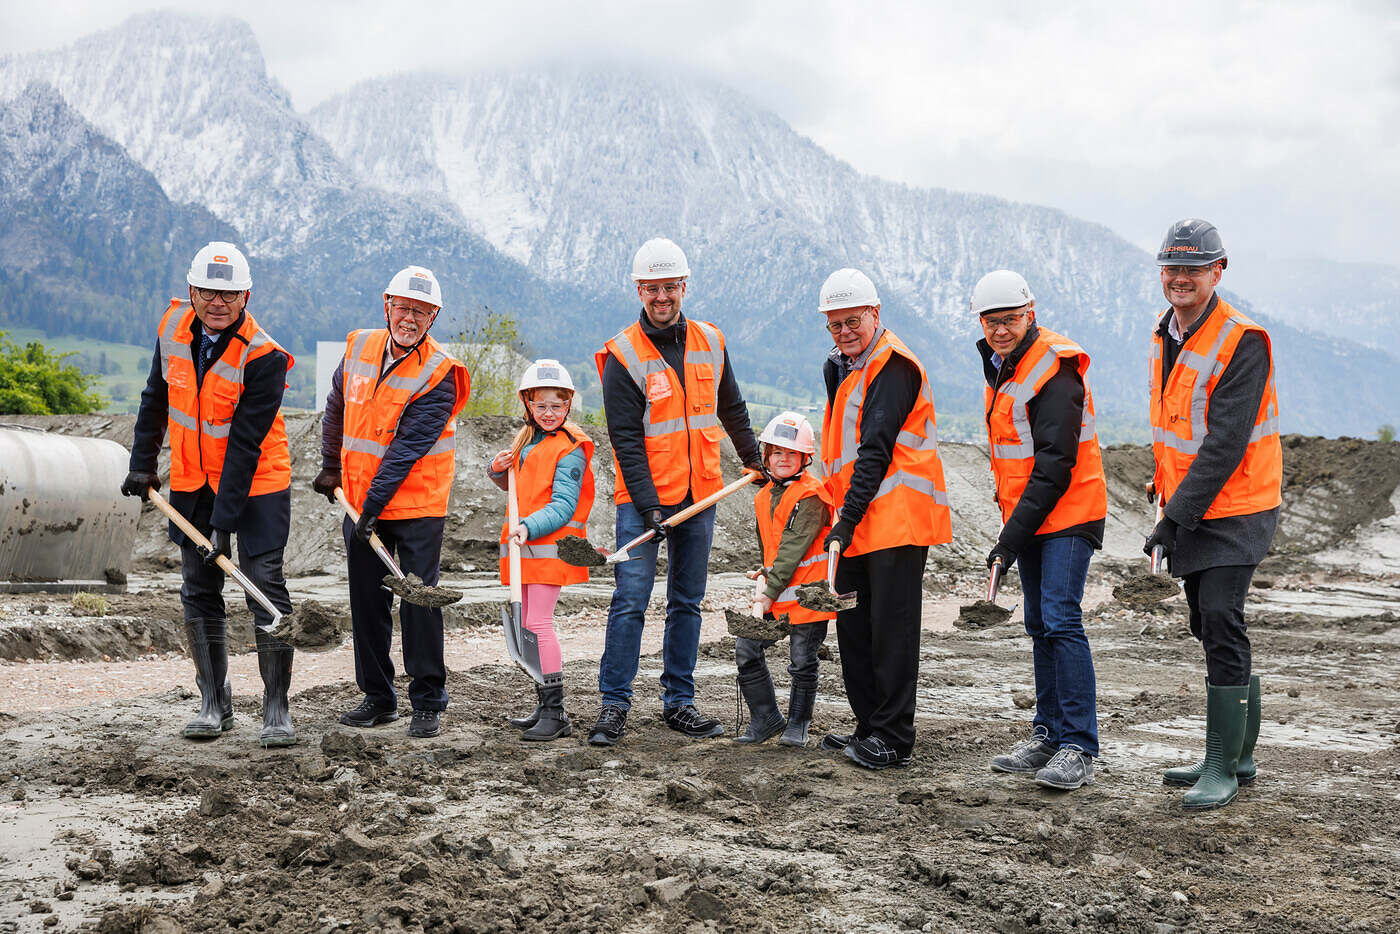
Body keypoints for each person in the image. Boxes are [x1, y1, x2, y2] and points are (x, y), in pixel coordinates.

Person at [589, 237, 764, 746]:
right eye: (652, 289)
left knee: (687, 601)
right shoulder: (622, 353)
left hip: (700, 493)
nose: (661, 297)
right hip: (642, 499)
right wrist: (647, 507)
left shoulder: (711, 340)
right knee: (631, 599)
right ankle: (613, 705)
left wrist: (753, 458)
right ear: (639, 290)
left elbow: (732, 408)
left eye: (669, 287)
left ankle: (679, 703)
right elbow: (624, 438)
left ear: (683, 286)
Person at [122, 241, 297, 747]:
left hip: (258, 482)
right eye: (206, 292)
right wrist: (142, 465)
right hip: (193, 480)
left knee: (263, 583)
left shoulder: (264, 357)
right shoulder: (171, 328)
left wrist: (222, 527)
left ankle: (276, 709)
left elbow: (244, 446)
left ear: (247, 296)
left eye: (229, 294)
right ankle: (213, 703)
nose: (217, 302)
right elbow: (156, 398)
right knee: (198, 586)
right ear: (191, 291)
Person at [1145, 219, 1281, 809]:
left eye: (1193, 269)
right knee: (1206, 620)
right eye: (1172, 269)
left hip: (1238, 506)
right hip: (1195, 507)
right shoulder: (1166, 332)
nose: (1180, 279)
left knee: (1222, 617)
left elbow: (1225, 443)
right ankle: (1235, 753)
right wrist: (1169, 503)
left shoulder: (1241, 339)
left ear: (1218, 272)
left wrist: (1171, 520)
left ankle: (1223, 764)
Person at [314, 266, 470, 739]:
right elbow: (338, 405)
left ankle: (428, 700)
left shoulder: (440, 372)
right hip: (361, 503)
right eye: (403, 308)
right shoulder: (359, 347)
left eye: (420, 312)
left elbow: (408, 447)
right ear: (387, 305)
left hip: (417, 506)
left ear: (433, 317)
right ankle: (379, 698)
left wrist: (373, 505)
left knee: (418, 601)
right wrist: (330, 466)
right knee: (367, 602)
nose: (410, 318)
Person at [972, 270, 1108, 791]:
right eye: (991, 321)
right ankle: (1049, 733)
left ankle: (1078, 745)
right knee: (1037, 622)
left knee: (1060, 618)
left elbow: (1055, 464)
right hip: (1031, 515)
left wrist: (1008, 539)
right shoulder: (1007, 364)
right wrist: (1015, 529)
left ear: (1030, 312)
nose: (1001, 329)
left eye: (1009, 319)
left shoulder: (1055, 366)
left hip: (1070, 512)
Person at [816, 268, 952, 770]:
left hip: (895, 518)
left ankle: (893, 735)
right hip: (856, 518)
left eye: (854, 320)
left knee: (890, 631)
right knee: (853, 625)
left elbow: (875, 450)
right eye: (836, 324)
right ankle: (867, 723)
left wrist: (844, 520)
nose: (846, 331)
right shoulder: (842, 367)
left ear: (875, 314)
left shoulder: (894, 367)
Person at [487, 360, 595, 742]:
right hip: (526, 548)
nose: (549, 413)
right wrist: (498, 469)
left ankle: (556, 712)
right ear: (528, 403)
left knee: (538, 625)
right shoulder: (527, 440)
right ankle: (543, 706)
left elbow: (564, 505)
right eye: (541, 405)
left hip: (548, 548)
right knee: (529, 626)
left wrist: (529, 526)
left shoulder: (571, 448)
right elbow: (518, 488)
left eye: (557, 405)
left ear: (568, 405)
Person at [733, 412, 834, 747]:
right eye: (777, 453)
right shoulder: (763, 497)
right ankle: (766, 719)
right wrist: (765, 572)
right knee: (747, 648)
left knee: (802, 660)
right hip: (776, 592)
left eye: (791, 454)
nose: (783, 459)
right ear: (767, 457)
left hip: (806, 596)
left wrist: (768, 591)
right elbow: (772, 549)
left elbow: (793, 548)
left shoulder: (812, 495)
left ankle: (797, 726)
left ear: (805, 458)